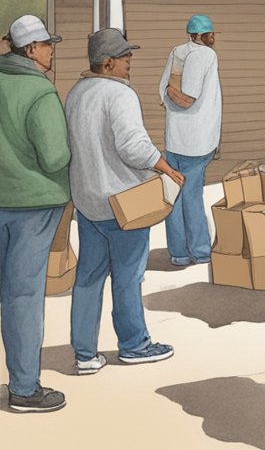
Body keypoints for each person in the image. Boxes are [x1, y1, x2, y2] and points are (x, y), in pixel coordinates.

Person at [66, 29, 185, 375]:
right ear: (107, 63)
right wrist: (165, 167)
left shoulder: (75, 94)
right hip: (124, 202)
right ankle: (134, 345)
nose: (130, 61)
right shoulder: (119, 95)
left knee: (87, 278)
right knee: (128, 277)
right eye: (124, 56)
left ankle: (85, 354)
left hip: (88, 202)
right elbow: (133, 147)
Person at [0, 15, 71, 413]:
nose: (51, 50)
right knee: (22, 295)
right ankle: (25, 389)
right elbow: (55, 155)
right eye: (47, 45)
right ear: (31, 50)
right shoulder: (40, 92)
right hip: (35, 205)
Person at [158, 14, 222, 268]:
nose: (213, 37)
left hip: (174, 138)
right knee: (192, 195)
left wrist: (169, 92)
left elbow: (166, 90)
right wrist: (176, 94)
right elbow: (188, 98)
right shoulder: (205, 56)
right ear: (199, 35)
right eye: (210, 33)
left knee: (175, 194)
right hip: (197, 140)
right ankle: (201, 251)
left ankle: (179, 253)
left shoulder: (177, 52)